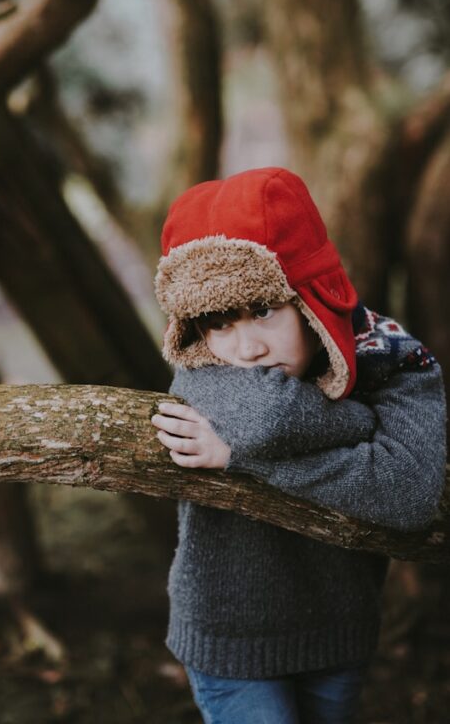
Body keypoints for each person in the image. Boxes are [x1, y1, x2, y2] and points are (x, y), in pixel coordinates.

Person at [150, 166, 446, 724]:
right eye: (219, 322)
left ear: (311, 300)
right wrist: (361, 425)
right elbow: (267, 416)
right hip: (227, 638)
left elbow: (407, 495)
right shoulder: (202, 363)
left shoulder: (397, 359)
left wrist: (239, 459)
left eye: (264, 310)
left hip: (339, 630)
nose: (246, 349)